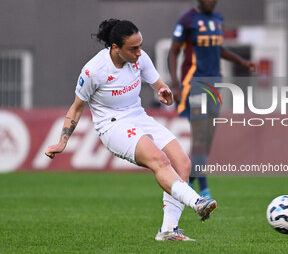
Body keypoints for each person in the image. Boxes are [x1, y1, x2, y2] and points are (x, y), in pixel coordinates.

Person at [44, 19, 217, 241]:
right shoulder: (93, 71)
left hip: (138, 117)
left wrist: (163, 90)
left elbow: (158, 83)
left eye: (140, 46)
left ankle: (168, 231)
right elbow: (76, 108)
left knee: (183, 163)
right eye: (132, 48)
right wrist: (62, 141)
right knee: (160, 161)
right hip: (113, 125)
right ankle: (197, 202)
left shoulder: (139, 58)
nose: (139, 52)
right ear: (115, 48)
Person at [168, 0, 256, 197]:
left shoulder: (218, 19)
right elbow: (173, 52)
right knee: (200, 137)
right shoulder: (188, 20)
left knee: (207, 139)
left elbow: (218, 49)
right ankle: (204, 190)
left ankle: (188, 183)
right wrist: (175, 84)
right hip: (195, 84)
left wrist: (242, 61)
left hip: (215, 85)